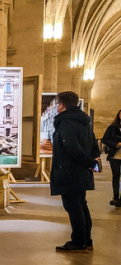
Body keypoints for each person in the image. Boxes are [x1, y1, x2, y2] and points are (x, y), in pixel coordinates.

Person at [50, 91, 99, 252]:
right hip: (81, 171)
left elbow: (72, 147)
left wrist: (89, 162)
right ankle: (86, 240)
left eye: (58, 103)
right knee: (81, 205)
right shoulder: (84, 122)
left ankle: (78, 242)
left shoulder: (66, 122)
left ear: (62, 105)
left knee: (73, 206)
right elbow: (93, 145)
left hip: (69, 170)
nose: (57, 106)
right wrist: (92, 163)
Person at [102, 109, 121, 207]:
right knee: (116, 176)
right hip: (115, 156)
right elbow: (105, 139)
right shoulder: (112, 128)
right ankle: (116, 197)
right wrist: (116, 144)